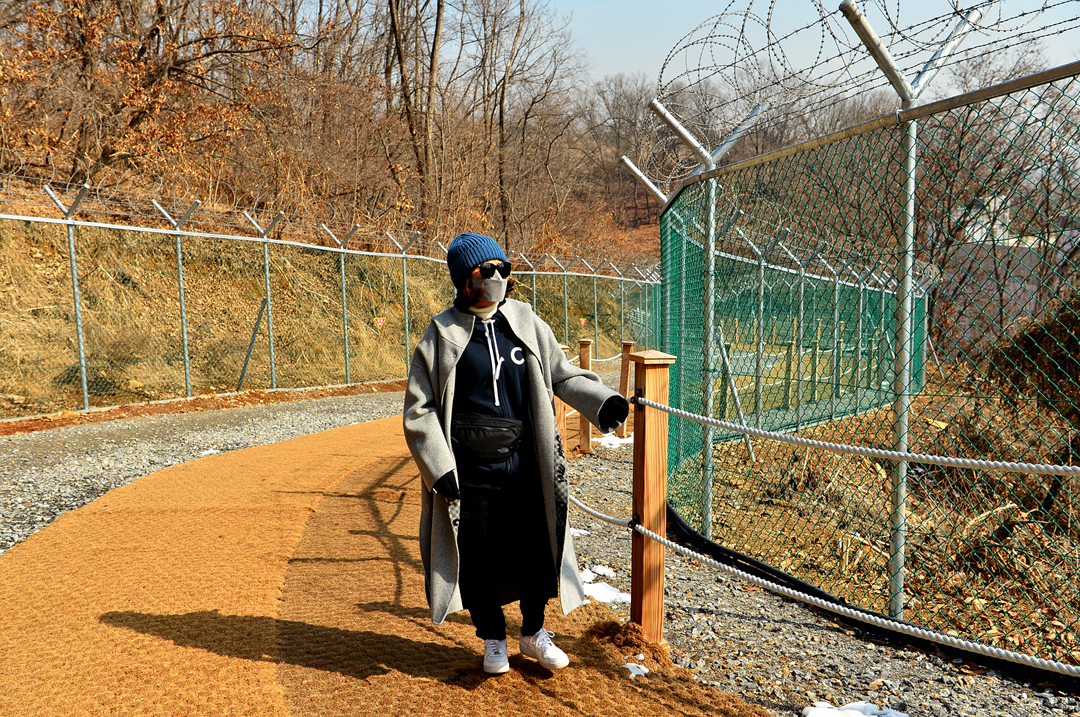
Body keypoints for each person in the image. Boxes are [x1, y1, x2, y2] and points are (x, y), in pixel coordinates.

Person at [403, 232, 630, 675]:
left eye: (503, 268)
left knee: (536, 548)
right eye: (486, 270)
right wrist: (438, 467)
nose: (497, 277)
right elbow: (419, 408)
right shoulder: (441, 333)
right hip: (469, 471)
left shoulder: (525, 321)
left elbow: (562, 374)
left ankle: (533, 632)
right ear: (464, 280)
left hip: (526, 464)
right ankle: (492, 637)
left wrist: (602, 401)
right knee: (477, 555)